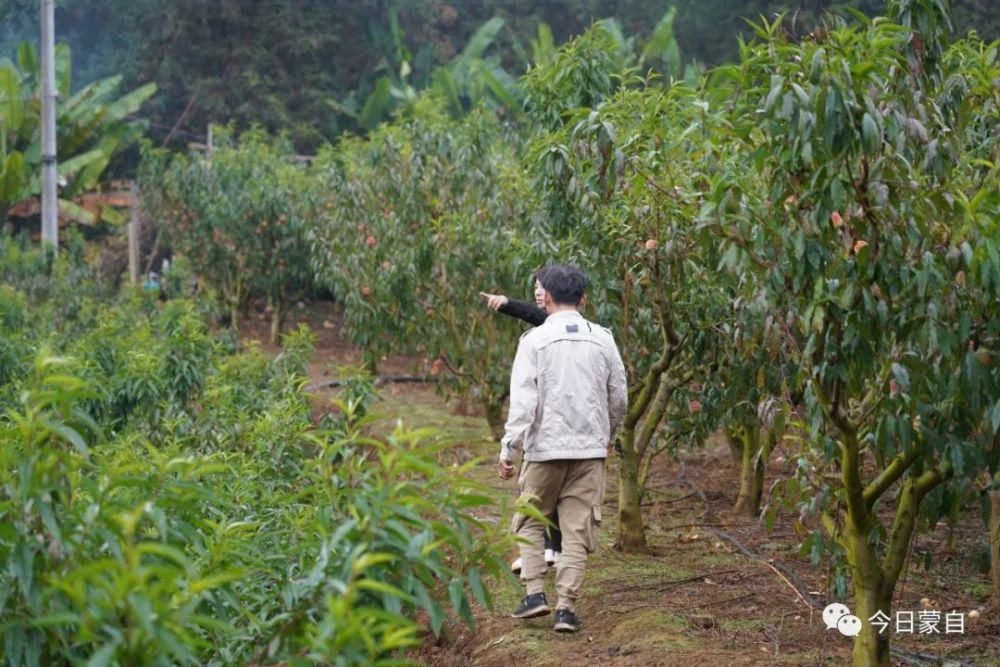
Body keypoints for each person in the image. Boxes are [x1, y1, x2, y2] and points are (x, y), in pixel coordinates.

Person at [497, 264, 627, 633]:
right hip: (590, 450)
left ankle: (535, 593)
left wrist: (509, 449)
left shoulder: (534, 341)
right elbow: (618, 396)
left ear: (547, 297)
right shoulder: (604, 338)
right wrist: (608, 435)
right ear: (583, 298)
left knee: (529, 518)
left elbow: (523, 401)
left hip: (545, 450)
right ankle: (566, 609)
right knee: (576, 530)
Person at [480, 269, 562, 572]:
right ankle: (552, 550)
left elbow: (533, 314)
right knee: (552, 492)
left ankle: (545, 552)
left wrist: (506, 303)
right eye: (535, 288)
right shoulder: (565, 325)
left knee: (541, 491)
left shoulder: (552, 326)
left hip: (549, 422)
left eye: (542, 288)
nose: (538, 293)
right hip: (555, 422)